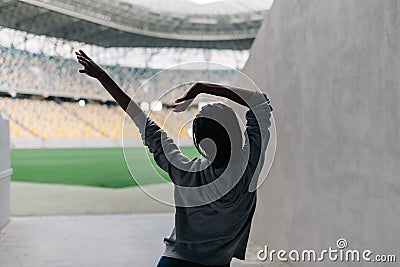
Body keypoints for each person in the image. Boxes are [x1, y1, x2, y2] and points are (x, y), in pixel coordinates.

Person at [75, 50, 273, 267]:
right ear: (235, 131)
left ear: (200, 142)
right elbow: (259, 102)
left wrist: (104, 77)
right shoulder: (249, 168)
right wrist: (203, 87)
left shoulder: (184, 171)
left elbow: (142, 121)